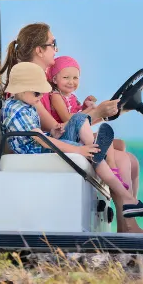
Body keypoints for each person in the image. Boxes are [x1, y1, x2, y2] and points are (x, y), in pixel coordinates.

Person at [0, 23, 143, 231]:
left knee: (127, 155)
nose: (57, 49)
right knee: (121, 158)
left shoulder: (37, 84)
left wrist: (101, 112)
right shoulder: (29, 90)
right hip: (43, 145)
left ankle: (127, 221)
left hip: (55, 138)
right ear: (39, 50)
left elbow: (61, 123)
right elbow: (54, 126)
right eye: (53, 44)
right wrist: (98, 114)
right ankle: (128, 224)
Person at [1, 62, 143, 221]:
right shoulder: (16, 110)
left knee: (79, 118)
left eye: (42, 93)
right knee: (92, 153)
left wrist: (53, 132)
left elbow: (40, 135)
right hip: (36, 150)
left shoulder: (26, 103)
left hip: (42, 142)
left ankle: (93, 148)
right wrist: (79, 150)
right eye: (37, 93)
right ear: (20, 88)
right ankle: (128, 199)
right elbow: (42, 141)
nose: (40, 97)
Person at [42, 55, 130, 190]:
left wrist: (85, 105)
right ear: (54, 79)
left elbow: (79, 113)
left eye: (75, 78)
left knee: (119, 144)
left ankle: (114, 173)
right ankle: (111, 174)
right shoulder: (56, 96)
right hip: (68, 133)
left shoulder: (72, 97)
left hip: (78, 131)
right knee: (107, 144)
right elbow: (68, 118)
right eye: (66, 77)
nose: (71, 82)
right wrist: (92, 110)